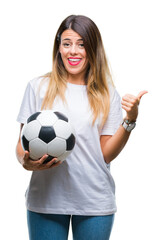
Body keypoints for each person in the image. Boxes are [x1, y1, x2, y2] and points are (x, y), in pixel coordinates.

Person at [16, 15, 147, 240]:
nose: (73, 51)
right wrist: (25, 162)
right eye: (67, 44)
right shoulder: (38, 87)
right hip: (46, 200)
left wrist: (130, 120)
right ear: (59, 48)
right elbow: (22, 144)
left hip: (94, 201)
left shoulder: (107, 94)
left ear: (93, 49)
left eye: (82, 44)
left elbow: (105, 153)